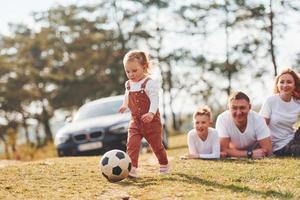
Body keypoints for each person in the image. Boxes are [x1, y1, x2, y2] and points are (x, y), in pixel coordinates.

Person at [119, 50, 169, 178]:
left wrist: (151, 113)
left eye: (134, 71)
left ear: (144, 67)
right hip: (135, 121)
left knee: (156, 146)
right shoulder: (128, 84)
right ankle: (132, 168)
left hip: (151, 121)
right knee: (132, 144)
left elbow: (154, 99)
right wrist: (125, 105)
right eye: (127, 71)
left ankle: (164, 163)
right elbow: (127, 95)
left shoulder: (149, 83)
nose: (131, 74)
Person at [216, 91, 272, 159]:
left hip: (242, 152)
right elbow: (223, 150)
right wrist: (249, 154)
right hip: (253, 153)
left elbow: (268, 151)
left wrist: (233, 153)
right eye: (234, 108)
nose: (238, 112)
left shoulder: (258, 119)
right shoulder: (222, 119)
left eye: (242, 108)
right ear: (228, 108)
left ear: (249, 107)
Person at [260, 68, 300, 156]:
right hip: (278, 146)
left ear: (295, 85)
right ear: (277, 85)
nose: (285, 85)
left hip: (293, 138)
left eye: (289, 82)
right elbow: (260, 127)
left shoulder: (297, 102)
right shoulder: (270, 101)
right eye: (282, 82)